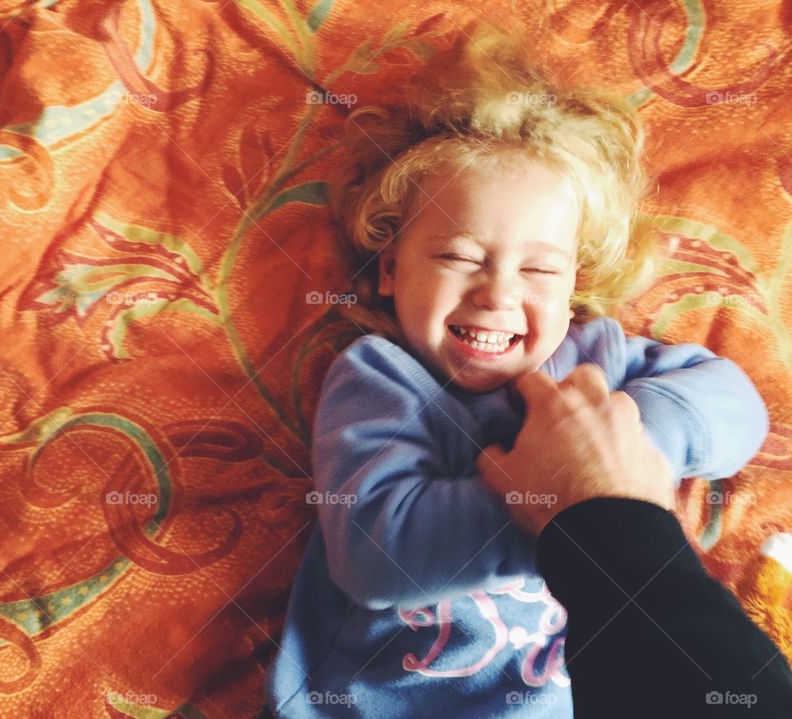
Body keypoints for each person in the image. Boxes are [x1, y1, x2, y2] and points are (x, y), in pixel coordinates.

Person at [263, 20, 770, 718]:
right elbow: (376, 553)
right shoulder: (381, 379)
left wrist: (637, 434)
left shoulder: (600, 359)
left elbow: (739, 404)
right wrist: (564, 500)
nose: (498, 293)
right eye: (459, 257)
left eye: (537, 268)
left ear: (575, 285)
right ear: (389, 268)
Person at [477, 366, 792, 718]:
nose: (499, 305)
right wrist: (586, 494)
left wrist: (639, 446)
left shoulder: (592, 358)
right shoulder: (405, 383)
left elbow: (743, 409)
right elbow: (406, 539)